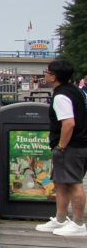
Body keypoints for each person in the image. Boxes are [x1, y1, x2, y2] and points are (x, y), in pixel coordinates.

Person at [36, 59, 87, 235]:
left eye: (46, 72)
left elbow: (69, 124)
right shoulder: (74, 90)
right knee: (61, 182)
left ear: (53, 77)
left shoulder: (60, 97)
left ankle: (79, 224)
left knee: (74, 183)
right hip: (76, 145)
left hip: (71, 146)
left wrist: (61, 147)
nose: (45, 75)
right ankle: (60, 219)